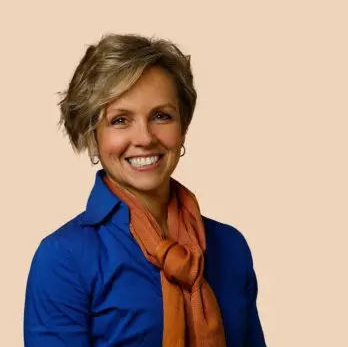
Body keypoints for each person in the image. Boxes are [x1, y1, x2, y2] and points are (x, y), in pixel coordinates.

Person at [23, 33, 266, 347]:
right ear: (92, 134)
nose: (145, 137)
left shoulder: (230, 247)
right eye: (120, 120)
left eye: (161, 116)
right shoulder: (64, 258)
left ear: (184, 126)